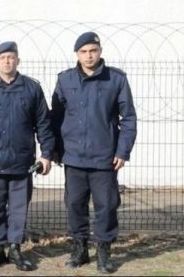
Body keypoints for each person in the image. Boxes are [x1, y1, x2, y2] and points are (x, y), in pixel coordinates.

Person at [51, 32, 137, 274]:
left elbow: (128, 118)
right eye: (84, 51)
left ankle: (104, 252)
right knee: (74, 205)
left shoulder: (116, 79)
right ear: (77, 54)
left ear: (100, 52)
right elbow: (55, 118)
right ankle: (79, 250)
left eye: (93, 50)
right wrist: (55, 149)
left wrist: (123, 151)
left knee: (106, 206)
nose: (89, 56)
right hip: (73, 157)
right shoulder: (65, 79)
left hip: (104, 158)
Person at [0, 41, 55, 271]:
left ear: (18, 60)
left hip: (21, 162)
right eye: (2, 57)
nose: (7, 61)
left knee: (18, 209)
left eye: (11, 57)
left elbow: (43, 124)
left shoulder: (31, 88)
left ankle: (15, 248)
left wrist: (46, 155)